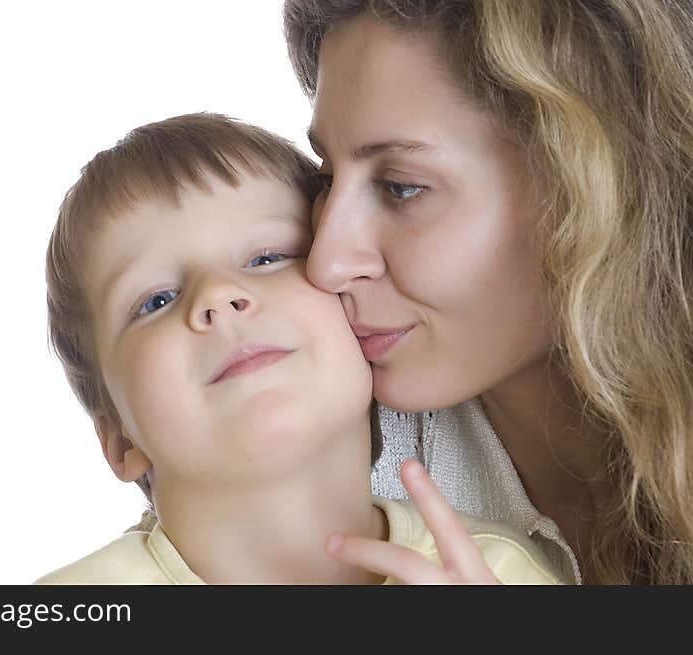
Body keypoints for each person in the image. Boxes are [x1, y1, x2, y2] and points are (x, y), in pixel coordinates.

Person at [35, 113, 566, 584]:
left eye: (267, 258)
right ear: (120, 441)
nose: (218, 296)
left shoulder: (493, 575)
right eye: (157, 300)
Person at [283, 0, 693, 584]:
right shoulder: (320, 468)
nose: (325, 263)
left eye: (400, 188)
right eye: (326, 179)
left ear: (597, 189)